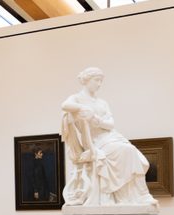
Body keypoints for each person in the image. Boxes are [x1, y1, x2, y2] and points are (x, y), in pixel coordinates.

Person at [60, 67, 155, 207]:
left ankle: (138, 195)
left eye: (101, 81)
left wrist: (96, 119)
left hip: (110, 136)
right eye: (97, 80)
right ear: (87, 80)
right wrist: (83, 109)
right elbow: (65, 105)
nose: (99, 84)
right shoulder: (77, 98)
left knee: (132, 152)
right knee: (127, 151)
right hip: (94, 141)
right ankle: (142, 194)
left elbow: (111, 124)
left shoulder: (102, 103)